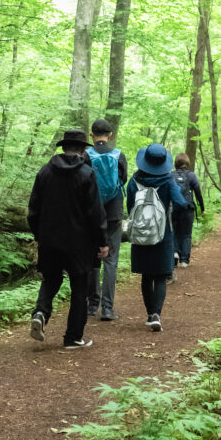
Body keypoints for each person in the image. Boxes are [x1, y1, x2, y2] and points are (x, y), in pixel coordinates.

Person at [28, 129, 108, 350]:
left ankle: (40, 312)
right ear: (82, 150)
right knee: (79, 288)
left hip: (49, 240)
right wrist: (102, 241)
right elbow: (95, 212)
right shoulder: (86, 173)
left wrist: (39, 235)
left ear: (64, 148)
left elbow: (33, 210)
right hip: (79, 243)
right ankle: (73, 337)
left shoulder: (45, 172)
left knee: (51, 279)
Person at [127, 144, 187, 332]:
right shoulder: (168, 181)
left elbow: (129, 206)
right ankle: (156, 315)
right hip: (163, 233)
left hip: (141, 232)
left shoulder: (134, 180)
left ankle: (149, 314)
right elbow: (180, 203)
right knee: (161, 275)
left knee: (146, 275)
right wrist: (171, 216)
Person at [86, 118, 127, 320]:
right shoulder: (118, 155)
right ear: (110, 134)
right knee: (111, 260)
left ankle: (92, 304)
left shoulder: (85, 155)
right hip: (113, 213)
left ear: (91, 134)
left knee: (93, 259)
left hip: (90, 214)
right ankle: (108, 309)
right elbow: (123, 181)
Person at [171, 152, 204, 268]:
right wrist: (202, 208)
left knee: (174, 231)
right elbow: (198, 192)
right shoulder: (191, 176)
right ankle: (184, 260)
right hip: (188, 208)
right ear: (187, 163)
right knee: (186, 234)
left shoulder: (171, 175)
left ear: (176, 163)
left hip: (174, 208)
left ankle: (174, 253)